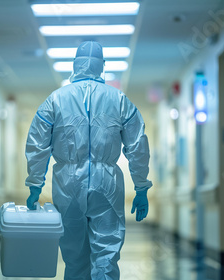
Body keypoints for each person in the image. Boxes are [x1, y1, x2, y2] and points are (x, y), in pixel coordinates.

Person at [25, 41, 152, 280]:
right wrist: (141, 186)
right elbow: (137, 145)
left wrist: (35, 184)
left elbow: (37, 144)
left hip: (67, 184)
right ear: (102, 66)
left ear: (75, 64)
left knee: (74, 257)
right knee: (106, 253)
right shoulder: (119, 99)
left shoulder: (55, 100)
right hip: (108, 185)